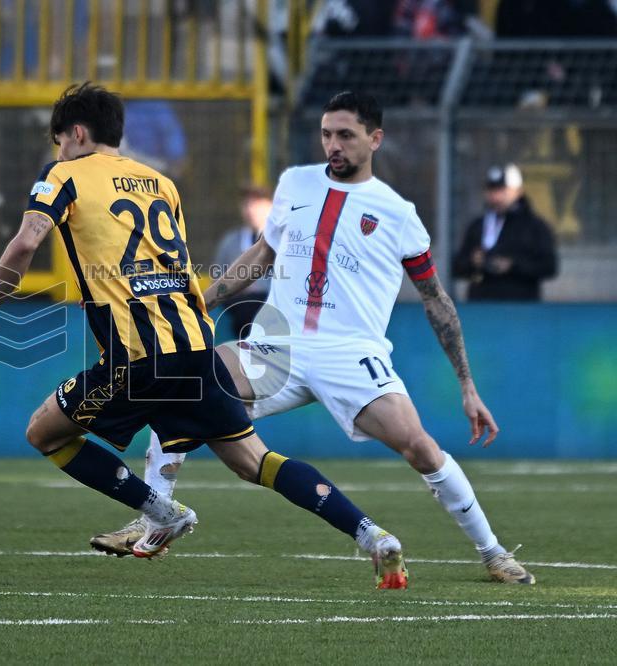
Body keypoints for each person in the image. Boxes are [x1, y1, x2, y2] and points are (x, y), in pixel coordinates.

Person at [0, 83, 409, 589]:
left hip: (137, 356)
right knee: (255, 462)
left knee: (44, 433)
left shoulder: (63, 174)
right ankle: (372, 535)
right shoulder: (160, 183)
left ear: (77, 133)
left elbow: (25, 244)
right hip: (194, 346)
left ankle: (162, 512)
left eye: (59, 140)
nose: (58, 151)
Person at [90, 91, 535, 585]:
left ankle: (493, 553)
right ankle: (155, 518)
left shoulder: (397, 213)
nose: (333, 145)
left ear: (375, 139)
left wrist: (467, 386)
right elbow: (262, 254)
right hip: (276, 345)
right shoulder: (296, 183)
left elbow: (436, 299)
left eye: (346, 135)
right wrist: (204, 302)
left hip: (350, 354)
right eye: (326, 134)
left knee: (421, 449)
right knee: (180, 383)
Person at [451, 164, 558, 301]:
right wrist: (473, 261)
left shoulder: (534, 226)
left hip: (521, 306)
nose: (496, 197)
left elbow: (549, 266)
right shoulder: (478, 225)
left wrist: (512, 265)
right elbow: (457, 267)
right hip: (481, 305)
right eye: (491, 190)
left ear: (518, 191)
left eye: (502, 190)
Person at [212, 185, 273, 340]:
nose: (250, 210)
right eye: (246, 204)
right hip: (238, 304)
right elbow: (217, 281)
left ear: (271, 205)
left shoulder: (284, 240)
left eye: (257, 204)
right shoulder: (230, 242)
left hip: (269, 303)